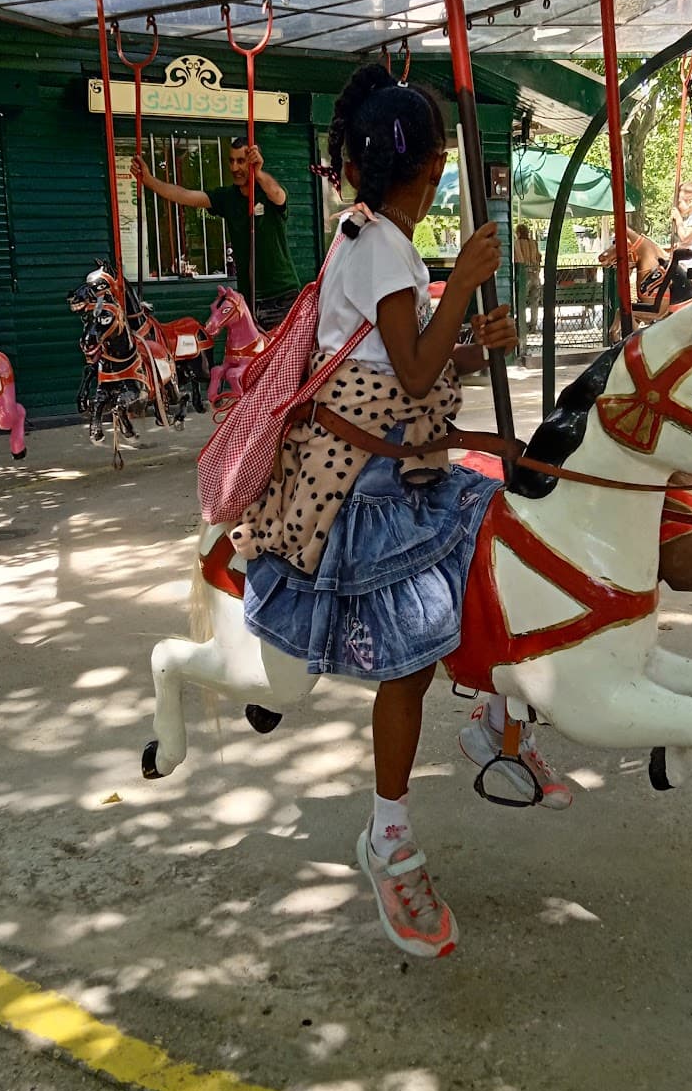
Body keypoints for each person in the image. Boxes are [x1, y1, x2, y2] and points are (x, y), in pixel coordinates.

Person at [229, 64, 571, 960]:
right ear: (430, 169)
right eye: (444, 169)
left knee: (505, 562)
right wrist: (464, 280)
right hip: (371, 484)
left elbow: (408, 357)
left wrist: (470, 338)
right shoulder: (384, 246)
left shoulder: (371, 236)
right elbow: (411, 374)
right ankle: (389, 837)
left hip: (404, 450)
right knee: (413, 660)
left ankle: (497, 722)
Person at [137, 134, 302, 330]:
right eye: (231, 161)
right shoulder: (227, 197)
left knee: (284, 358)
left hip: (281, 295)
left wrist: (258, 173)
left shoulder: (268, 194)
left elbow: (278, 194)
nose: (234, 168)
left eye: (241, 161)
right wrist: (149, 181)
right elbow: (186, 196)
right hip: (249, 298)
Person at [514, 222, 541, 338]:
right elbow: (539, 257)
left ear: (518, 233)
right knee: (534, 302)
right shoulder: (534, 243)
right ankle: (534, 326)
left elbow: (518, 259)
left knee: (522, 302)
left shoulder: (517, 243)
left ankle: (522, 326)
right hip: (535, 275)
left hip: (524, 275)